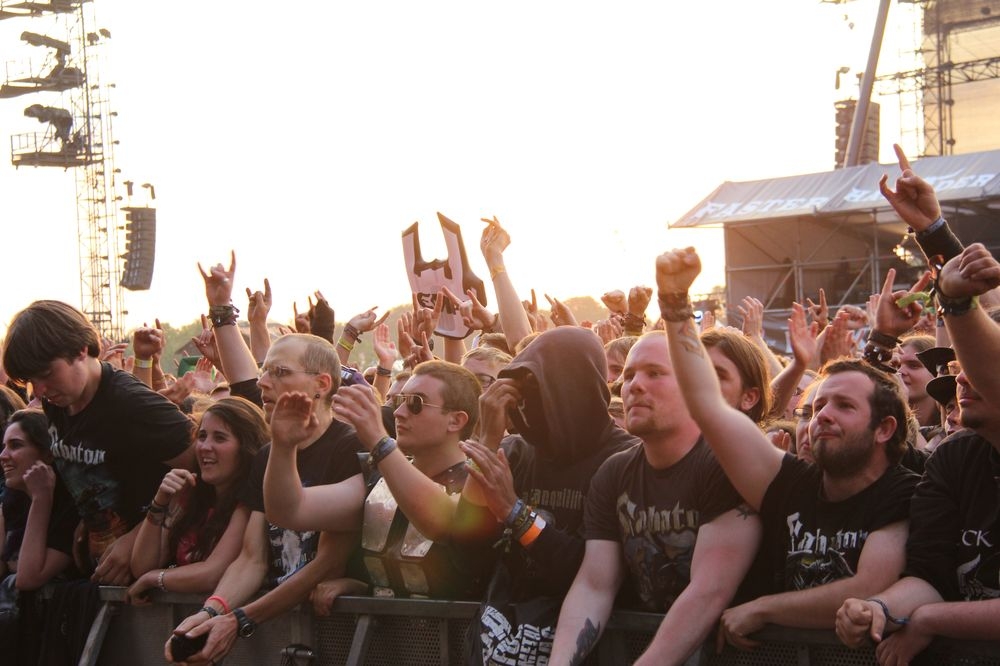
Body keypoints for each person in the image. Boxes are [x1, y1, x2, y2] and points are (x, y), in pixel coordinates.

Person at [656, 247, 918, 649]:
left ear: (884, 429)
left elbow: (869, 585)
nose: (822, 416)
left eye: (844, 406)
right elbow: (707, 405)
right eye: (817, 406)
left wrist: (764, 608)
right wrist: (675, 304)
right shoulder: (793, 483)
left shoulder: (904, 492)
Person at [549, 332, 761, 665]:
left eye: (654, 373)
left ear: (695, 387)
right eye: (629, 374)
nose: (634, 385)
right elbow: (594, 585)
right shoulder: (613, 473)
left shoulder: (726, 464)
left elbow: (709, 591)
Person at [834, 246, 1000, 664]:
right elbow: (929, 572)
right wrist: (880, 609)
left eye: (977, 365)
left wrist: (930, 620)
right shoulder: (952, 459)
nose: (962, 376)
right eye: (958, 364)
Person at [164, 330, 365, 665]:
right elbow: (251, 558)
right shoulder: (268, 453)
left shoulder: (349, 446)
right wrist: (212, 610)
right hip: (278, 630)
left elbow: (328, 562)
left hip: (338, 636)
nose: (262, 382)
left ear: (322, 384)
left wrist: (239, 620)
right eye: (264, 371)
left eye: (280, 372)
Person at [460, 326, 639, 662]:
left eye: (536, 389)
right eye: (517, 390)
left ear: (574, 389)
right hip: (502, 643)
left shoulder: (626, 460)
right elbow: (464, 544)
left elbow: (594, 573)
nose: (525, 404)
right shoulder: (513, 451)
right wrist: (487, 440)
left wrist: (515, 512)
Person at [1, 300, 194, 585]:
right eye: (32, 380)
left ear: (80, 350)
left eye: (46, 374)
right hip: (101, 573)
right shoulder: (59, 402)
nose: (39, 390)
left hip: (151, 574)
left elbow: (204, 474)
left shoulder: (130, 404)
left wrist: (136, 536)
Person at [265, 360, 489, 603]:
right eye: (398, 401)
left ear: (456, 421)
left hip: (458, 639)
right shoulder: (376, 477)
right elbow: (288, 511)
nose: (398, 413)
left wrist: (379, 440)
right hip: (382, 639)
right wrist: (284, 447)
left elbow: (445, 524)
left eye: (415, 403)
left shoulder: (477, 483)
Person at [127, 397, 268, 601]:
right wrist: (159, 503)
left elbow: (211, 574)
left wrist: (154, 579)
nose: (205, 447)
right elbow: (142, 566)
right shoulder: (191, 494)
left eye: (220, 438)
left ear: (246, 447)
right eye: (202, 436)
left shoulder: (250, 503)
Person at [1, 409, 77, 589]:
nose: (3, 456)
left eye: (16, 445)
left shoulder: (72, 505)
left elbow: (28, 578)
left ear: (48, 454)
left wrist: (41, 498)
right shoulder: (14, 498)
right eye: (4, 446)